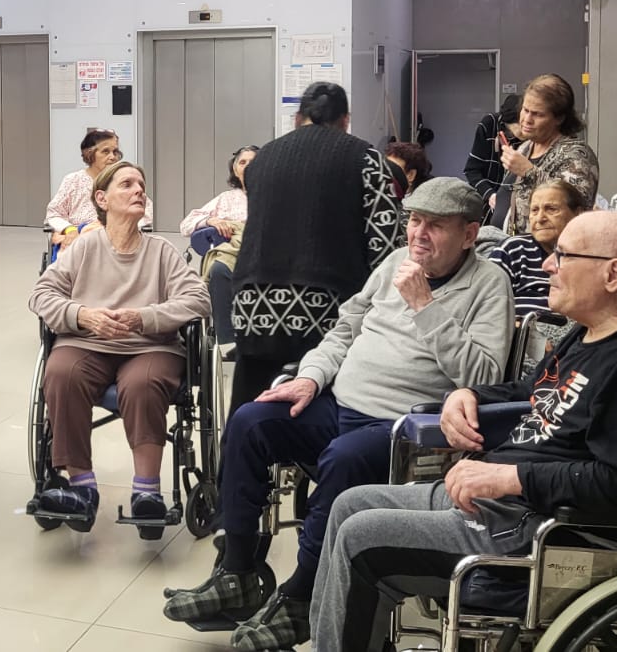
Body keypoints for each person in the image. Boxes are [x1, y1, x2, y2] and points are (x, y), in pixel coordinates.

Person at [308, 212, 617, 652]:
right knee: (350, 504)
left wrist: (509, 478)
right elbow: (533, 391)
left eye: (563, 255)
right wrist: (468, 394)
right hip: (510, 506)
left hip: (554, 530)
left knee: (362, 537)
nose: (547, 265)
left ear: (612, 274)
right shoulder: (588, 333)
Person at [164, 178, 513, 651]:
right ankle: (238, 571)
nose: (419, 233)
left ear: (469, 234)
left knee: (344, 458)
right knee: (249, 421)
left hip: (402, 426)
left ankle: (302, 596)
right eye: (414, 220)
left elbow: (485, 375)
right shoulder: (394, 262)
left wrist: (425, 306)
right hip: (339, 400)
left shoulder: (489, 284)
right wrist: (311, 376)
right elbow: (345, 329)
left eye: (436, 225)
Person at [29, 161, 210, 536]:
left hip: (150, 346)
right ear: (102, 199)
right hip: (87, 341)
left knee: (143, 384)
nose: (139, 190)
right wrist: (82, 315)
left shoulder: (161, 252)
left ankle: (147, 492)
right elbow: (42, 294)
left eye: (141, 185)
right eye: (127, 184)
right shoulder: (83, 248)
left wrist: (144, 318)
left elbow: (198, 300)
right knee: (61, 373)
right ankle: (82, 488)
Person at [229, 82, 402, 413]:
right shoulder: (366, 159)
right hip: (326, 310)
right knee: (319, 410)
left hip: (253, 306)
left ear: (298, 118)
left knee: (250, 406)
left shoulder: (261, 161)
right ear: (345, 120)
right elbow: (386, 247)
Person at [181, 145, 260, 356]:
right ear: (235, 169)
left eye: (253, 162)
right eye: (242, 162)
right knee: (218, 270)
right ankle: (227, 343)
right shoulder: (226, 199)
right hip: (232, 252)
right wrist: (211, 220)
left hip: (264, 250)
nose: (247, 166)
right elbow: (186, 225)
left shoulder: (273, 195)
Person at [497, 74, 599, 236]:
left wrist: (529, 172)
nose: (527, 119)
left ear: (559, 118)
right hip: (514, 244)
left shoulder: (577, 155)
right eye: (525, 110)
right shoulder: (525, 148)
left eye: (537, 114)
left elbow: (576, 204)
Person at [487, 179, 589, 318]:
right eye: (534, 210)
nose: (540, 218)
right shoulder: (513, 251)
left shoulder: (593, 256)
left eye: (551, 209)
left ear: (577, 214)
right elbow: (484, 306)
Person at [47, 129, 156, 252]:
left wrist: (119, 229)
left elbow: (146, 212)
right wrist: (69, 230)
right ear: (90, 154)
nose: (112, 157)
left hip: (117, 240)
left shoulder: (124, 180)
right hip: (78, 239)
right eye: (105, 151)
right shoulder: (73, 180)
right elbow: (54, 214)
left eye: (115, 152)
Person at [464, 93, 522, 213]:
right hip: (487, 200)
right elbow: (472, 171)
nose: (526, 128)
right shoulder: (490, 124)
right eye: (521, 124)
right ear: (508, 121)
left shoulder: (533, 138)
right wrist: (490, 195)